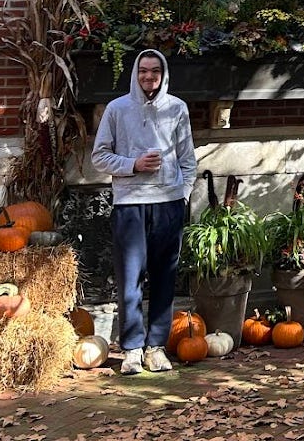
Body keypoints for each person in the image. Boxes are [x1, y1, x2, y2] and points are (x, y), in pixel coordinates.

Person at [91, 49, 197, 375]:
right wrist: (133, 165)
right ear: (135, 74)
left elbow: (188, 160)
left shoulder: (177, 108)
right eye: (143, 71)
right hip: (130, 204)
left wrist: (182, 195)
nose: (149, 77)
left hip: (168, 205)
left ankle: (156, 347)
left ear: (163, 75)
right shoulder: (117, 109)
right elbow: (99, 156)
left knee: (165, 277)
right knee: (130, 280)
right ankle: (133, 349)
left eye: (155, 71)